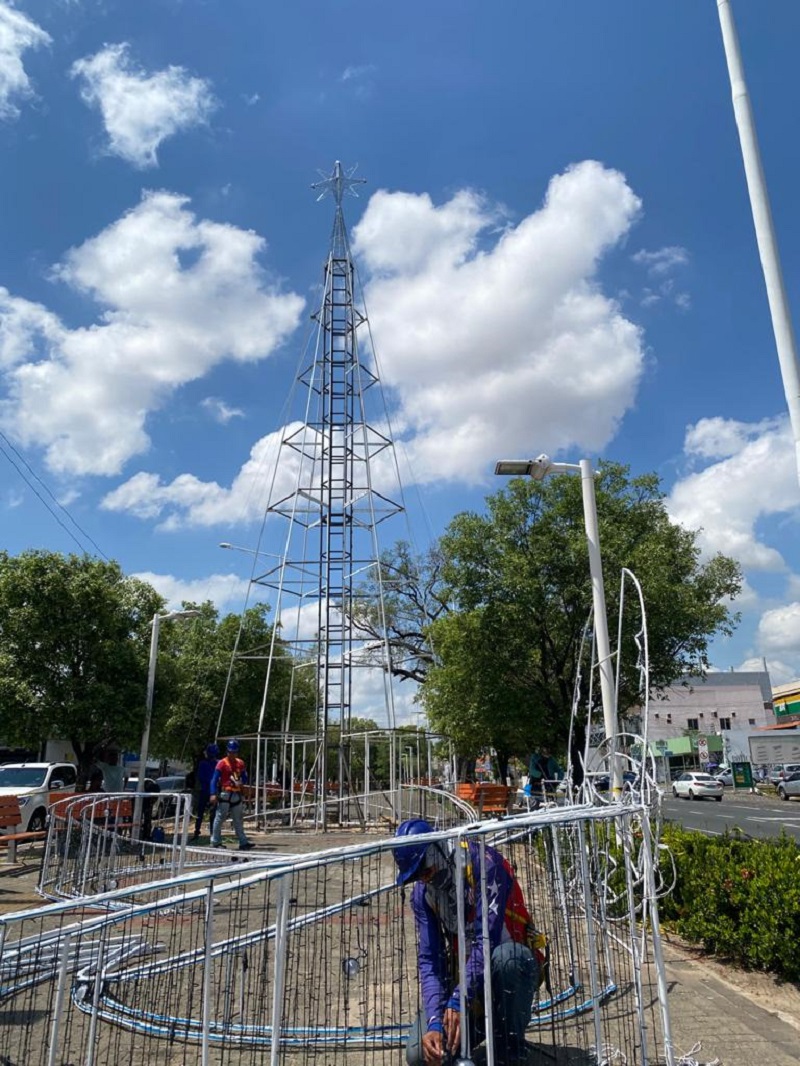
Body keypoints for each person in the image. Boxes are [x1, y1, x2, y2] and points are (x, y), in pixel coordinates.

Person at [393, 819, 543, 1066]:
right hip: (468, 986)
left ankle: (508, 1049)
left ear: (438, 849)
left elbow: (488, 939)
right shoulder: (423, 894)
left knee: (508, 959)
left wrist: (458, 1000)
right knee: (420, 1056)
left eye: (425, 869)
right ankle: (470, 1031)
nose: (424, 879)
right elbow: (430, 960)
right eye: (416, 876)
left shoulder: (486, 864)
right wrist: (434, 1021)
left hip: (507, 975)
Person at [209, 740, 255, 851]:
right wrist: (213, 793)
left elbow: (244, 777)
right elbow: (214, 780)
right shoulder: (222, 763)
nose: (232, 754)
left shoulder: (240, 763)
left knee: (238, 819)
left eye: (234, 752)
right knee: (220, 818)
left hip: (237, 794)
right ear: (227, 752)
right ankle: (215, 841)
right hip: (225, 793)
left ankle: (243, 842)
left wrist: (243, 783)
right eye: (230, 752)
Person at [191, 743, 219, 841]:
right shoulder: (218, 763)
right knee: (213, 813)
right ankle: (212, 833)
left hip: (204, 790)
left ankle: (197, 832)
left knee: (200, 812)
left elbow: (200, 777)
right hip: (214, 791)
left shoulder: (203, 763)